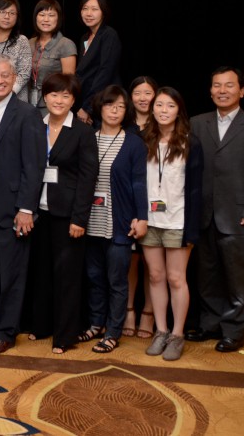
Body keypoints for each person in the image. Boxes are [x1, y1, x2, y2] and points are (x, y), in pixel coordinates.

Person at [188, 67, 244, 353]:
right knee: (207, 276)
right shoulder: (196, 123)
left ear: (242, 91)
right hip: (203, 215)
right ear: (210, 90)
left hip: (239, 216)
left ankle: (234, 331)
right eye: (217, 85)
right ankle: (210, 324)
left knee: (239, 279)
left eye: (229, 85)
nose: (222, 90)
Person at [25, 73, 96, 354]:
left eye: (66, 96)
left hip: (68, 215)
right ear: (45, 97)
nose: (59, 100)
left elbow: (88, 178)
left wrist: (80, 218)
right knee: (41, 272)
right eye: (54, 94)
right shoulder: (36, 125)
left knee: (67, 276)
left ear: (73, 100)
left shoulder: (82, 132)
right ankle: (41, 325)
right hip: (38, 212)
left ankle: (65, 335)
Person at [0, 55, 45, 356]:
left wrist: (26, 208)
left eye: (5, 75)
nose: (0, 80)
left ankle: (6, 331)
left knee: (12, 273)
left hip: (14, 207)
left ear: (15, 78)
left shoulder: (27, 113)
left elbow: (34, 165)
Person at [83, 85, 147, 354]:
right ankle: (96, 323)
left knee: (117, 281)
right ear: (100, 107)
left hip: (119, 222)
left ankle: (113, 332)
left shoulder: (133, 143)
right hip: (90, 221)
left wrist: (141, 217)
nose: (115, 111)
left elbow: (139, 183)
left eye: (121, 106)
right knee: (94, 276)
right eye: (110, 105)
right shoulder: (88, 138)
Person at [140, 87, 203, 362]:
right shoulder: (144, 140)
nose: (164, 110)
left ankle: (177, 334)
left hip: (178, 221)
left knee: (176, 278)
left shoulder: (191, 142)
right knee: (155, 276)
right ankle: (161, 330)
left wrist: (192, 229)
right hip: (149, 220)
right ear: (152, 108)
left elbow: (197, 189)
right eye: (159, 105)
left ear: (179, 111)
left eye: (170, 106)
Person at [125, 75, 158, 338]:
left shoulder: (163, 124)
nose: (143, 98)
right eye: (138, 93)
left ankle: (148, 311)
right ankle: (128, 310)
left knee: (152, 261)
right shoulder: (123, 124)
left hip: (158, 200)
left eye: (148, 93)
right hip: (128, 199)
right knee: (131, 260)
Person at [75, 0, 122, 124]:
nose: (88, 13)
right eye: (85, 9)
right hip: (85, 102)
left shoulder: (109, 35)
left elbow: (105, 73)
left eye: (94, 9)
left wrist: (87, 108)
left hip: (104, 102)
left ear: (103, 12)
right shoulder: (85, 38)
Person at [27, 0, 77, 112]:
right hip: (29, 102)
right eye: (42, 15)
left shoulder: (66, 44)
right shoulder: (29, 43)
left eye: (51, 15)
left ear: (58, 18)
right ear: (35, 17)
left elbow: (68, 82)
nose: (46, 19)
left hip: (53, 105)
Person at [0, 0, 30, 98]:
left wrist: (7, 93)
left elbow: (24, 73)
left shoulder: (21, 41)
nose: (7, 16)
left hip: (16, 98)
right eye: (2, 12)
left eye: (12, 13)